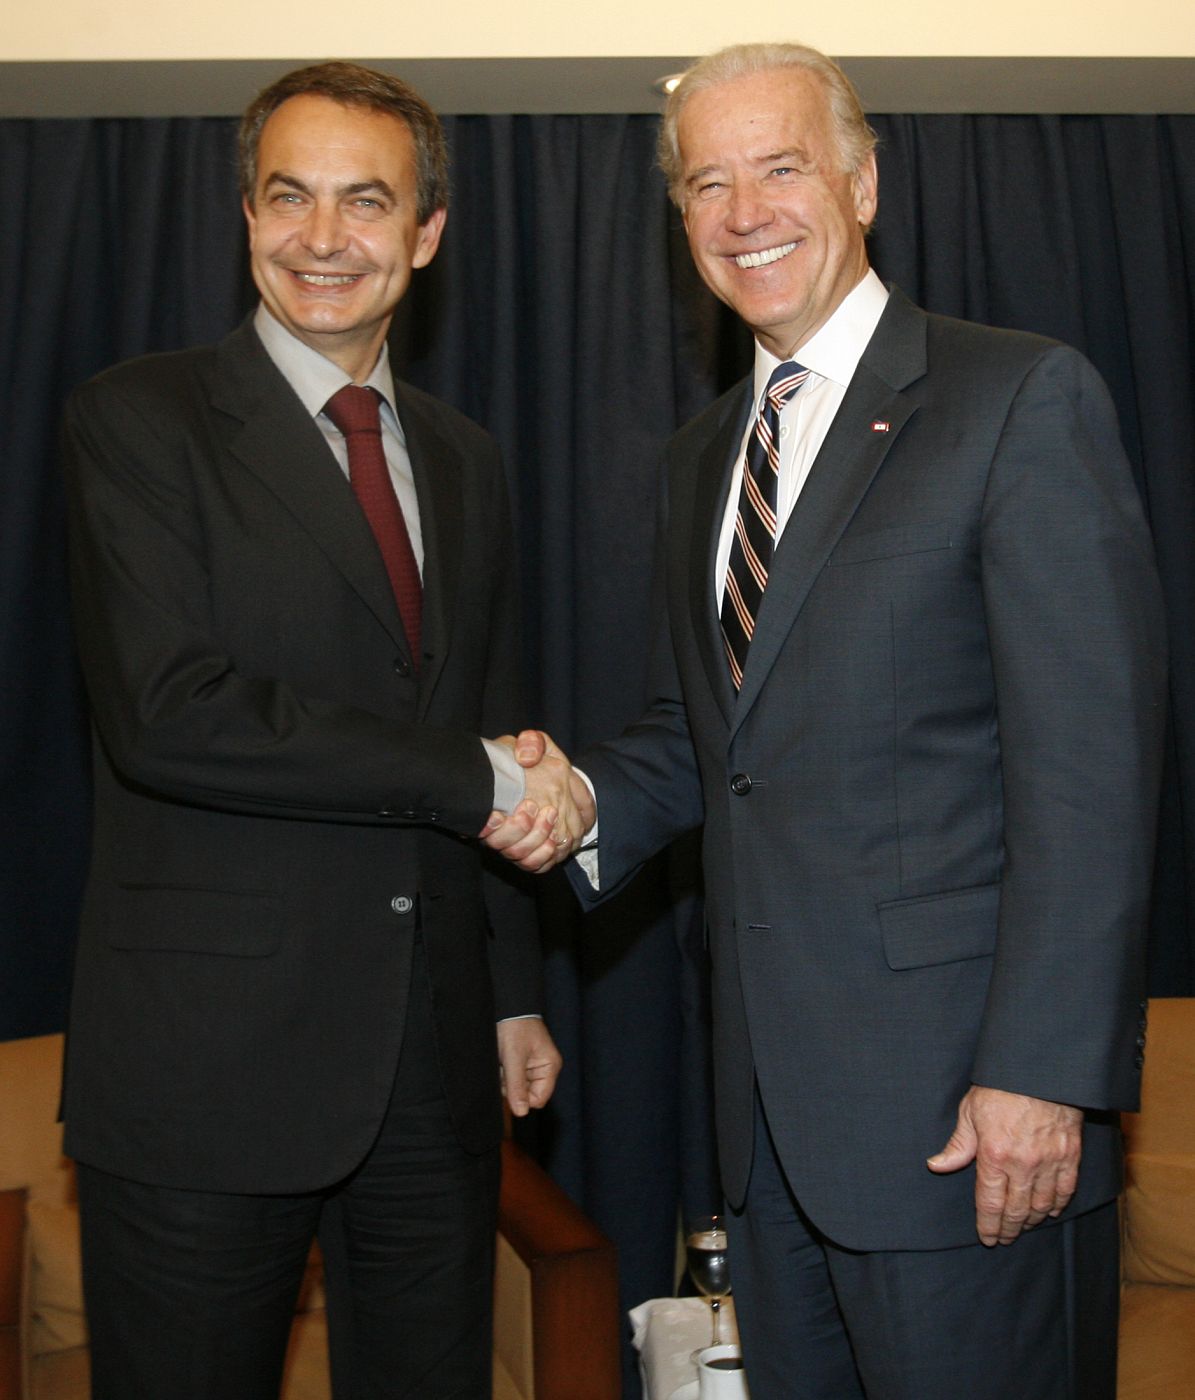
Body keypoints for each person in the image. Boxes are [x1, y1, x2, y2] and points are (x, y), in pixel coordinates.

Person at [484, 41, 1167, 1400]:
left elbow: (1092, 775)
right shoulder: (701, 462)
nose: (744, 213)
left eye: (781, 167)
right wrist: (570, 800)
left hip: (970, 1129)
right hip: (766, 1142)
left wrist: (1042, 1074)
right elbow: (705, 743)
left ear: (862, 180)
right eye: (706, 183)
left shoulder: (1017, 397)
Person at [61, 61, 590, 1400]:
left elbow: (490, 716)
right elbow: (170, 715)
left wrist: (513, 982)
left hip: (432, 1067)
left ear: (425, 236)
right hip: (205, 1067)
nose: (322, 238)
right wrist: (477, 778)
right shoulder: (138, 419)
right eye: (289, 196)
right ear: (245, 214)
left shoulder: (466, 458)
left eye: (366, 203)